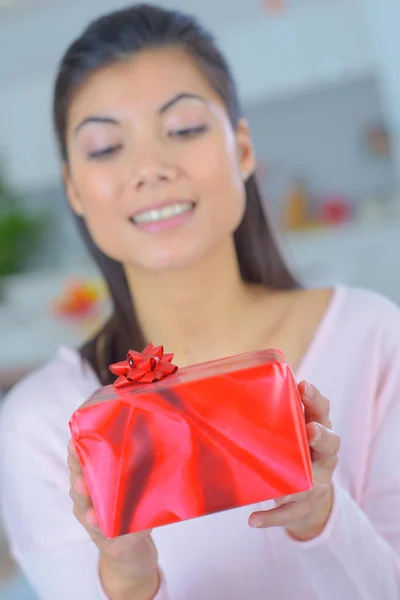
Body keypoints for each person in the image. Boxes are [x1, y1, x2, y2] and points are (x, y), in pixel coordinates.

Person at [0, 4, 399, 599]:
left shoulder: (372, 335)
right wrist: (128, 576)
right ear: (74, 190)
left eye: (183, 129)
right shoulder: (41, 425)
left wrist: (322, 517)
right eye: (107, 147)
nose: (150, 169)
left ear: (241, 149)